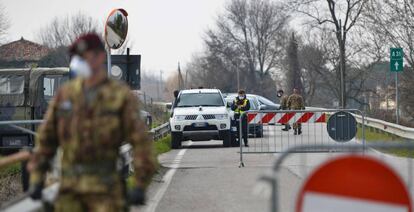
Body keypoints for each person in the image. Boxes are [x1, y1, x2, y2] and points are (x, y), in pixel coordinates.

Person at [27, 33, 156, 212]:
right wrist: (36, 179)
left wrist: (140, 184)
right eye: (76, 58)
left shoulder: (119, 96)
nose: (78, 62)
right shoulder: (65, 95)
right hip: (69, 192)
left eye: (83, 56)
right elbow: (46, 139)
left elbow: (141, 142)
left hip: (106, 192)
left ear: (100, 57)